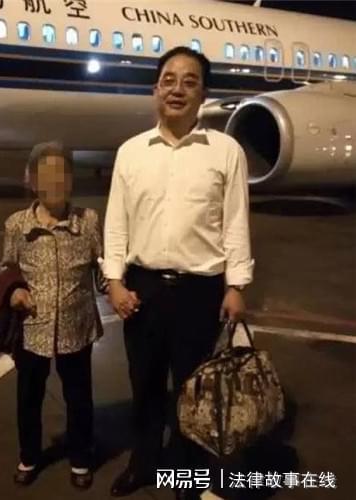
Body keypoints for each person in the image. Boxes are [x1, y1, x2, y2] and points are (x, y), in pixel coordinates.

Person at [103, 47, 254, 500]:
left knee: (194, 391)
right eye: (169, 79)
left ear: (203, 94)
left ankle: (188, 475)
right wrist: (114, 282)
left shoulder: (225, 152)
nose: (177, 89)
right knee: (145, 384)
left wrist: (236, 285)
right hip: (143, 289)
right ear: (155, 89)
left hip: (200, 292)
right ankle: (144, 463)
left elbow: (235, 222)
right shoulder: (131, 152)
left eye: (190, 81)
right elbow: (117, 223)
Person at [1, 141, 105, 491]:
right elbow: (8, 268)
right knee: (28, 397)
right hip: (33, 329)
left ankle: (81, 457)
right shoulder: (17, 225)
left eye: (62, 174)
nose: (55, 182)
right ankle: (28, 456)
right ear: (32, 181)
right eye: (46, 175)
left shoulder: (88, 221)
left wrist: (117, 287)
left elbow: (101, 267)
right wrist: (14, 292)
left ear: (72, 180)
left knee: (79, 396)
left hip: (77, 327)